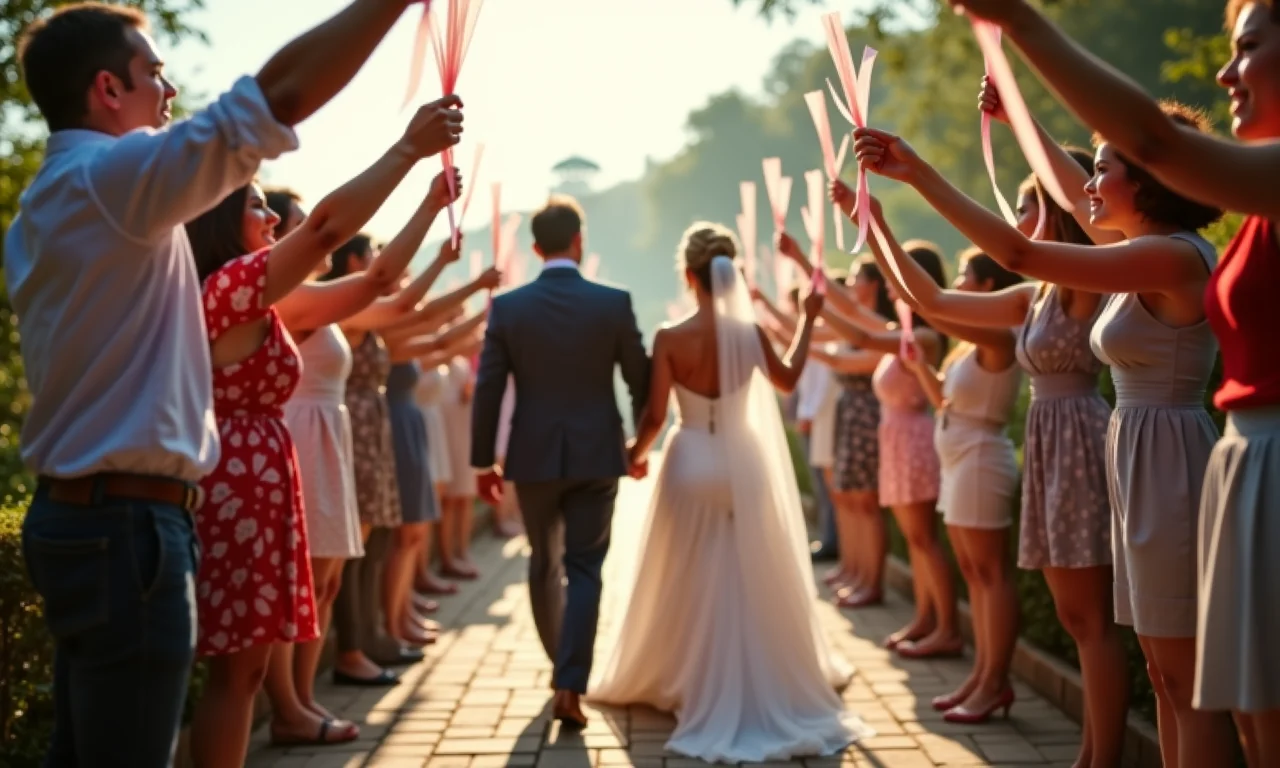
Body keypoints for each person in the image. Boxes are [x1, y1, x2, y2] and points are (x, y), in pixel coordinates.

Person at [6, 1, 444, 765]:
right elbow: (275, 102)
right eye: (154, 74)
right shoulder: (109, 180)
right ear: (108, 89)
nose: (170, 92)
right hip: (128, 525)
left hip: (86, 516)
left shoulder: (53, 200)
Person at [942, 2, 1280, 763]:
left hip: (1174, 458)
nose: (1228, 72)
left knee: (1201, 685)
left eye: (1249, 48)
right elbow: (1074, 191)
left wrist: (917, 168)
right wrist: (1018, 114)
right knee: (1167, 674)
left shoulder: (1171, 256)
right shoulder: (1141, 248)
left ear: (1151, 181)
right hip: (1146, 453)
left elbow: (1024, 251)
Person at [589, 222, 873, 762]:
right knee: (748, 570)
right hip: (745, 461)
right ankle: (754, 673)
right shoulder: (750, 334)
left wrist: (634, 454)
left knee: (685, 569)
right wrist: (808, 319)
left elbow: (655, 416)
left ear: (689, 276)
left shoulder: (671, 337)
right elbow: (787, 379)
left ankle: (686, 674)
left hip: (690, 459)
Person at [470, 195, 651, 727]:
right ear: (579, 241)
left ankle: (560, 669)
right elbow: (640, 379)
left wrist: (483, 462)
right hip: (598, 454)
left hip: (532, 455)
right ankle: (571, 680)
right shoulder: (613, 302)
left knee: (542, 563)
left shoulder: (509, 308)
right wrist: (640, 446)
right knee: (585, 568)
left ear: (535, 248)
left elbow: (488, 388)